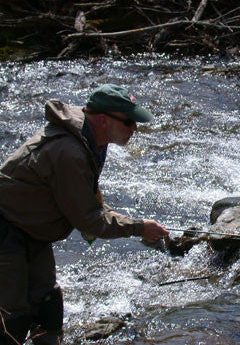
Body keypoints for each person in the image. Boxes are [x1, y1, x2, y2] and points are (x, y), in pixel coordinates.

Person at [0, 84, 169, 344]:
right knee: (12, 318)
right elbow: (88, 219)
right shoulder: (69, 151)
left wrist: (137, 225)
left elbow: (89, 202)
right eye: (128, 122)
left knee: (48, 306)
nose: (134, 129)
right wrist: (138, 227)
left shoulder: (92, 141)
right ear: (103, 119)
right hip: (7, 230)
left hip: (30, 231)